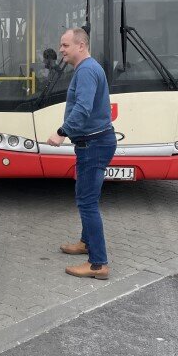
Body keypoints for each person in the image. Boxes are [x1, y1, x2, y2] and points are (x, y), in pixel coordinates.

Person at [47, 28, 116, 280]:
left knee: (87, 203)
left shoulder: (86, 70)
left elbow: (83, 108)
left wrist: (61, 131)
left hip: (93, 145)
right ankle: (86, 243)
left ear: (81, 45)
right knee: (86, 198)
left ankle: (98, 264)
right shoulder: (89, 68)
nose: (61, 50)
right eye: (61, 45)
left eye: (65, 45)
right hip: (96, 142)